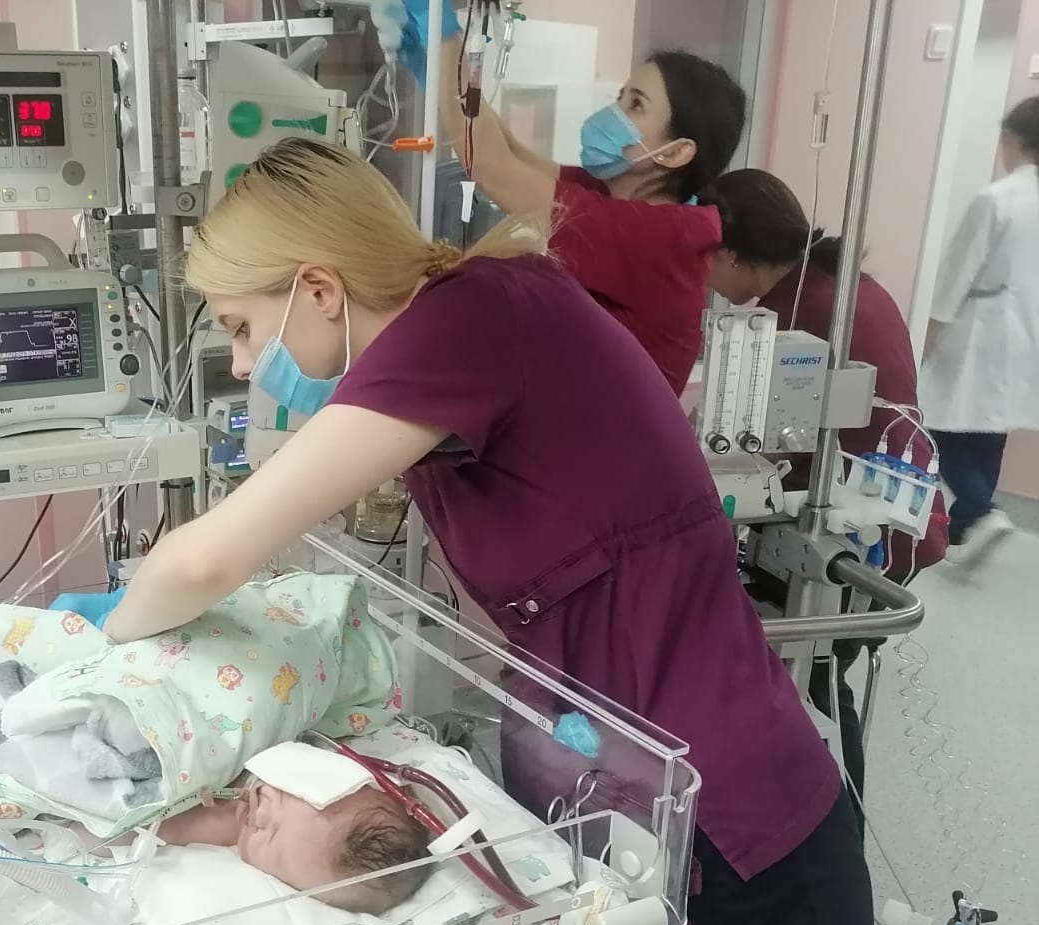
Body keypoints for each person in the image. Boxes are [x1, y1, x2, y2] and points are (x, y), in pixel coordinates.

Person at [53, 137, 883, 925]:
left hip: (736, 820)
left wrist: (98, 660)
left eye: (242, 328)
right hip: (616, 800)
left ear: (319, 289)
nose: (244, 364)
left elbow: (207, 557)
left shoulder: (473, 318)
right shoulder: (459, 346)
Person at [702, 167, 949, 812]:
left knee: (811, 690)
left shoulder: (800, 314)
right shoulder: (841, 284)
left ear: (732, 253)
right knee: (821, 684)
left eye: (703, 257)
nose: (703, 276)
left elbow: (773, 442)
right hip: (897, 514)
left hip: (849, 533)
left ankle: (825, 825)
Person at [398, 2, 745, 395]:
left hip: (606, 430)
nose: (613, 111)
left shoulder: (657, 238)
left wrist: (447, 40)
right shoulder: (613, 194)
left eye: (635, 105)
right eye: (621, 96)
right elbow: (511, 153)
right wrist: (442, 74)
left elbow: (490, 165)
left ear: (675, 152)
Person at [918, 96, 1039, 568]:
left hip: (980, 328)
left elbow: (957, 272)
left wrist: (931, 334)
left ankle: (981, 511)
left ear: (1010, 139)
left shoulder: (998, 198)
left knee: (935, 424)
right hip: (1024, 332)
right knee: (990, 427)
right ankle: (967, 527)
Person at [159, 772, 433, 914]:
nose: (260, 815)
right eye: (279, 798)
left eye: (271, 842)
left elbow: (151, 826)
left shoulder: (223, 826)